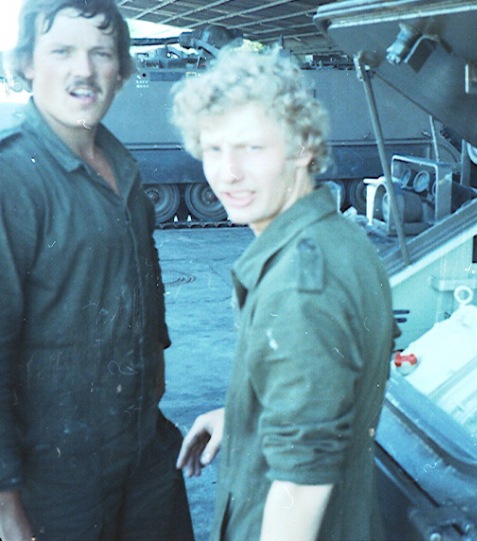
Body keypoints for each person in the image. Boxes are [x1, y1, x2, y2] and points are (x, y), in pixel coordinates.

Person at [172, 47, 398, 541]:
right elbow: (322, 389)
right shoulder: (335, 238)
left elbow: (302, 482)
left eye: (251, 148)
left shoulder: (300, 284)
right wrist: (244, 416)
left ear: (302, 149)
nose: (227, 172)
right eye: (213, 149)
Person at [0, 1, 194, 539]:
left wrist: (156, 352)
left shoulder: (120, 162)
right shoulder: (11, 177)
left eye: (101, 53)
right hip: (54, 480)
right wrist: (5, 503)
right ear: (27, 63)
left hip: (142, 451)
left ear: (122, 70)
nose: (83, 71)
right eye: (62, 51)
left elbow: (143, 272)